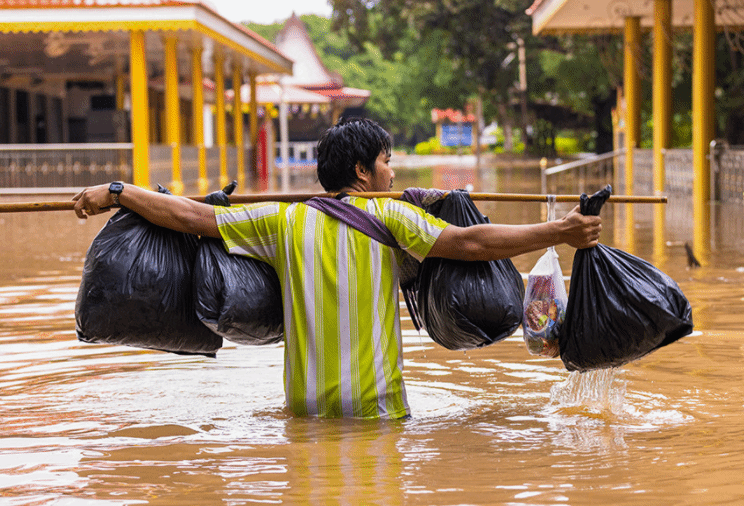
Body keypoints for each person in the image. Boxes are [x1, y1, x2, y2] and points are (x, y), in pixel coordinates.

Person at [73, 117, 601, 420]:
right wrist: (558, 231)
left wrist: (118, 191)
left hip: (303, 413)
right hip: (379, 411)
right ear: (361, 171)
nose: (391, 171)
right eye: (386, 161)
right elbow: (470, 242)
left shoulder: (283, 222)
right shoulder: (393, 216)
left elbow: (193, 216)